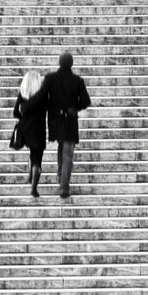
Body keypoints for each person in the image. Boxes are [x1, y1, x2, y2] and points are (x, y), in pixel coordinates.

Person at [43, 51, 91, 200]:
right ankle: (64, 186)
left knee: (62, 147)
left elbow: (43, 97)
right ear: (71, 63)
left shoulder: (50, 78)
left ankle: (60, 176)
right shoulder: (77, 80)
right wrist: (73, 107)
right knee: (67, 152)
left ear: (59, 62)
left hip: (56, 121)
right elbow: (85, 101)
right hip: (69, 120)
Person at [12, 69, 48, 197]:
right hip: (38, 129)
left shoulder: (22, 94)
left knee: (32, 153)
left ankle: (29, 176)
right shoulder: (43, 95)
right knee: (37, 158)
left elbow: (15, 112)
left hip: (25, 129)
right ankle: (34, 188)